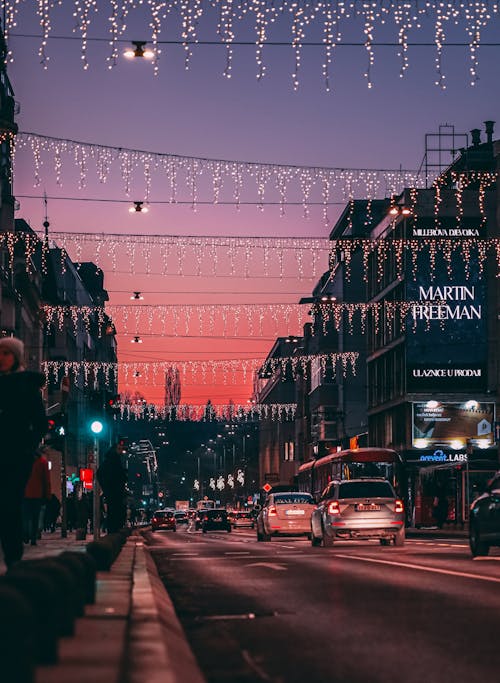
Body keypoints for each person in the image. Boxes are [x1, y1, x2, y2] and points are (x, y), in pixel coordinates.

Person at [0, 336, 47, 567]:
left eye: (6, 353)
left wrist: (28, 445)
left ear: (16, 357)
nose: (1, 358)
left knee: (9, 504)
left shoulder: (26, 387)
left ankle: (13, 557)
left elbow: (40, 422)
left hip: (16, 454)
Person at [96, 441, 127, 533]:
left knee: (115, 514)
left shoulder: (113, 460)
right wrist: (108, 487)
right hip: (114, 492)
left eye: (121, 449)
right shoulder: (112, 461)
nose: (121, 451)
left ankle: (113, 533)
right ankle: (113, 533)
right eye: (119, 449)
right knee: (115, 514)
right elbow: (100, 474)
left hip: (114, 492)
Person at [23, 449, 51, 545]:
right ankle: (33, 538)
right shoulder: (42, 462)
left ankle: (26, 534)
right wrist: (47, 495)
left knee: (26, 516)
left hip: (24, 494)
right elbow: (46, 480)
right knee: (35, 517)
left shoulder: (24, 461)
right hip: (37, 494)